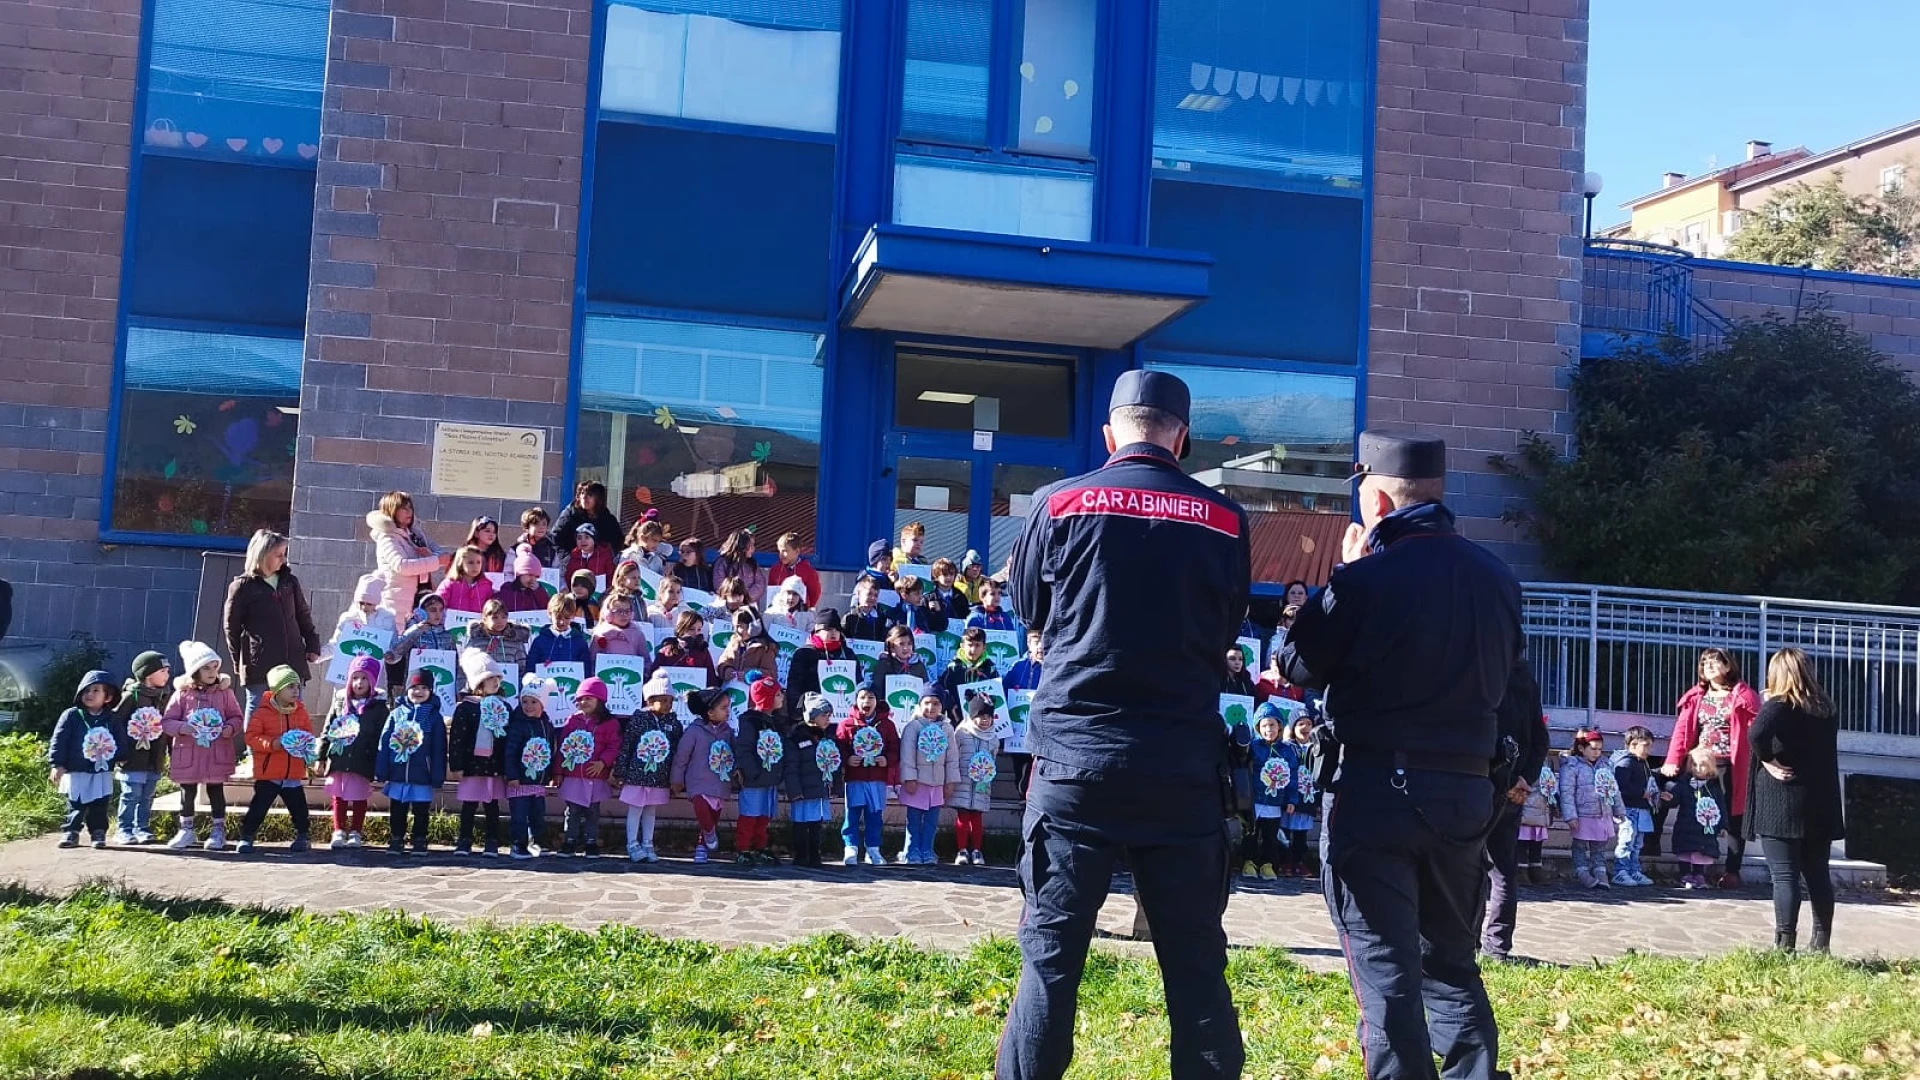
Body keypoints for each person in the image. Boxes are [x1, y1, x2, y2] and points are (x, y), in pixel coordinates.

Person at [998, 370, 1251, 1080]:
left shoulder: (1057, 502)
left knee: (1049, 965)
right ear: (1184, 438)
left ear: (1110, 435)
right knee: (1197, 967)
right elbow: (1227, 624)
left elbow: (1028, 609)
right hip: (1181, 769)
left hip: (1075, 765)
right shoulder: (1226, 519)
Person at [1278, 430, 1521, 1080]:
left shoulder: (1368, 577)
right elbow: (1515, 694)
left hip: (1375, 797)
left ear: (1378, 503)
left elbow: (1299, 663)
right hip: (1466, 797)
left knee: (1385, 971)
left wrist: (1344, 576)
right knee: (1450, 963)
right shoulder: (1498, 579)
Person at [1747, 647, 1844, 953]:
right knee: (1818, 874)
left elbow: (1756, 734)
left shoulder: (1779, 704)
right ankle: (1821, 943)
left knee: (1785, 875)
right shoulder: (1825, 707)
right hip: (1820, 801)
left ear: (1777, 674)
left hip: (1783, 801)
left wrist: (1768, 762)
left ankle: (1784, 944)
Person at [1660, 648, 1759, 887]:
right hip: (1699, 762)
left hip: (1730, 764)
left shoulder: (1743, 695)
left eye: (1716, 662)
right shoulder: (1696, 696)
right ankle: (1689, 865)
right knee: (1688, 806)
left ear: (1728, 666)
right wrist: (1673, 760)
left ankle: (1732, 870)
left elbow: (1757, 728)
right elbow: (1682, 731)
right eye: (1705, 663)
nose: (1710, 666)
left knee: (1733, 815)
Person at [1480, 662, 1549, 962]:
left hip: (1477, 785)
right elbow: (1540, 738)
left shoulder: (1477, 670)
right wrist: (1525, 778)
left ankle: (1467, 944)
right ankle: (1497, 948)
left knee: (1469, 869)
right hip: (1512, 787)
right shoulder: (1526, 679)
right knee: (1502, 871)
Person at [223, 528, 322, 720]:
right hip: (259, 664)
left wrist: (312, 644)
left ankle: (291, 748)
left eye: (283, 555)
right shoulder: (242, 587)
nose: (282, 560)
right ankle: (255, 750)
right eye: (278, 555)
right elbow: (232, 628)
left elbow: (303, 615)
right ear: (262, 554)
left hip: (292, 660)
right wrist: (238, 662)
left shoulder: (290, 582)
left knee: (293, 713)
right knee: (258, 710)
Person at [163, 640, 242, 850]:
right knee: (187, 792)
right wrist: (183, 728)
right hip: (189, 753)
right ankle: (186, 830)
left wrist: (229, 729)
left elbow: (236, 717)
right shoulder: (182, 694)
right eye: (206, 667)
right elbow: (167, 721)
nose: (212, 671)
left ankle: (218, 831)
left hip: (216, 752)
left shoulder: (225, 693)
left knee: (216, 790)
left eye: (215, 666)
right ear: (194, 670)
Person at [237, 664, 316, 855]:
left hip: (293, 773)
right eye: (290, 687)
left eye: (297, 686)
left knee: (299, 808)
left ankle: (303, 835)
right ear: (277, 690)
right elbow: (251, 737)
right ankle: (247, 836)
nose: (295, 691)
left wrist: (307, 749)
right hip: (269, 773)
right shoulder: (263, 712)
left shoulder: (301, 712)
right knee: (259, 807)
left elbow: (308, 735)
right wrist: (273, 744)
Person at [47, 669, 123, 850]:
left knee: (99, 804)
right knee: (76, 803)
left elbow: (120, 740)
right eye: (87, 690)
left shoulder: (111, 719)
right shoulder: (72, 715)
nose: (90, 694)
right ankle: (71, 832)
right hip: (76, 769)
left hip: (100, 770)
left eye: (96, 690)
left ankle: (98, 833)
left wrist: (122, 757)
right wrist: (57, 764)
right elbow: (59, 740)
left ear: (108, 697)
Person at [376, 668, 447, 854]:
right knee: (397, 809)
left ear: (431, 691)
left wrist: (437, 775)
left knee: (421, 810)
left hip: (421, 773)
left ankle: (420, 839)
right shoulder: (396, 714)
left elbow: (439, 748)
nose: (419, 691)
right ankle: (397, 838)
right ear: (407, 689)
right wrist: (382, 770)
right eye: (415, 687)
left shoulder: (434, 717)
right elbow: (384, 742)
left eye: (424, 687)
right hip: (398, 772)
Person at [616, 671, 684, 864]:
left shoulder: (673, 723)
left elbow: (677, 750)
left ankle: (648, 843)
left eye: (670, 701)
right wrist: (620, 771)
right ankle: (632, 843)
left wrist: (676, 777)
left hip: (659, 777)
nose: (667, 705)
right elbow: (627, 745)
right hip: (637, 775)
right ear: (650, 700)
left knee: (651, 811)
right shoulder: (639, 720)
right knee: (635, 809)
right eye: (663, 700)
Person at [318, 655, 385, 850]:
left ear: (372, 681)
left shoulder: (378, 707)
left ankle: (356, 831)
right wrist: (321, 756)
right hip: (339, 758)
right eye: (355, 678)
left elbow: (382, 735)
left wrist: (379, 760)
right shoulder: (340, 703)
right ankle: (339, 830)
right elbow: (327, 729)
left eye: (364, 678)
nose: (359, 683)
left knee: (359, 796)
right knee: (338, 795)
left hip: (362, 759)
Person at [448, 650, 510, 856]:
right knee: (469, 804)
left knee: (492, 804)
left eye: (497, 678)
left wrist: (507, 767)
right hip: (472, 766)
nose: (495, 682)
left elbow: (507, 740)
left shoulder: (504, 706)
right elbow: (457, 738)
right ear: (478, 683)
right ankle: (464, 839)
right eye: (489, 678)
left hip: (493, 766)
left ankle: (491, 840)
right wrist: (456, 765)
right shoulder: (466, 708)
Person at [671, 686, 738, 865]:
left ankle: (702, 846)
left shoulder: (728, 732)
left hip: (720, 782)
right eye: (723, 708)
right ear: (710, 712)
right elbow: (681, 756)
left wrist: (737, 771)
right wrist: (676, 779)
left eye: (728, 707)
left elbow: (735, 753)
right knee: (702, 810)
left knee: (713, 816)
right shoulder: (694, 731)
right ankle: (708, 832)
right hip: (698, 782)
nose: (728, 712)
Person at [112, 650, 173, 845]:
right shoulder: (131, 696)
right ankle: (124, 829)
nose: (167, 675)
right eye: (163, 671)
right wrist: (119, 752)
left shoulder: (164, 696)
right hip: (132, 758)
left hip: (155, 758)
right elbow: (116, 724)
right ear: (148, 674)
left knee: (147, 795)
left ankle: (142, 827)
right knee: (131, 794)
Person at [556, 678, 619, 857]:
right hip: (573, 775)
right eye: (581, 699)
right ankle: (570, 840)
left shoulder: (609, 723)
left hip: (595, 777)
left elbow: (614, 746)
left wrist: (603, 762)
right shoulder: (572, 721)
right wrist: (558, 772)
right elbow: (563, 746)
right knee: (572, 810)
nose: (583, 702)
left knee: (593, 810)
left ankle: (591, 842)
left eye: (589, 698)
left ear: (600, 701)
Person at [835, 688, 898, 866]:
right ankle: (850, 848)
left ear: (877, 701)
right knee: (852, 814)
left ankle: (873, 849)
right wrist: (848, 759)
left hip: (877, 778)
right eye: (862, 697)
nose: (866, 701)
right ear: (856, 700)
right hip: (855, 778)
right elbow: (839, 748)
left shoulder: (887, 725)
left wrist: (886, 759)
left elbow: (895, 748)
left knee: (875, 815)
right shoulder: (847, 724)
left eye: (871, 697)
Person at [897, 691, 960, 866]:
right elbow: (907, 754)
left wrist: (950, 781)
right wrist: (909, 778)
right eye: (927, 703)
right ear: (920, 704)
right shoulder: (913, 726)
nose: (931, 707)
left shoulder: (947, 728)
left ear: (942, 706)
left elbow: (952, 757)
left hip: (937, 783)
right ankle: (911, 849)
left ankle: (927, 849)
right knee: (914, 819)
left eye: (936, 703)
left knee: (932, 820)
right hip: (917, 782)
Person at [1558, 728, 1625, 889]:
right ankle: (1582, 872)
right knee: (1580, 846)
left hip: (1602, 813)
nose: (1597, 753)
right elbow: (1567, 792)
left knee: (1599, 847)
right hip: (1583, 814)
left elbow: (1613, 789)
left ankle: (1600, 872)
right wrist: (1570, 816)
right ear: (1582, 748)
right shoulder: (1572, 766)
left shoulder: (1605, 765)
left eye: (1600, 749)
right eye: (1593, 749)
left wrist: (1619, 810)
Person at [366, 491, 451, 616]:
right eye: (403, 508)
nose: (409, 511)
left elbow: (442, 553)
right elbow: (402, 566)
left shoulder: (415, 534)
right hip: (398, 602)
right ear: (391, 510)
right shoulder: (387, 537)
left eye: (410, 507)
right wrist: (436, 561)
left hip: (422, 596)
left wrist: (432, 557)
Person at [734, 676, 787, 866]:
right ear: (767, 698)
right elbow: (744, 749)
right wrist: (752, 772)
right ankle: (743, 849)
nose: (782, 697)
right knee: (749, 815)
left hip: (770, 778)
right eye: (778, 694)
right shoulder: (750, 722)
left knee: (764, 816)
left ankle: (760, 847)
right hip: (754, 779)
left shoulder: (775, 722)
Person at [782, 693, 840, 867]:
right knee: (800, 823)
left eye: (829, 715)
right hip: (802, 790)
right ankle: (800, 855)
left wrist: (834, 787)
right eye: (824, 715)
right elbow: (791, 766)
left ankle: (815, 854)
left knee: (816, 824)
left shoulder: (827, 737)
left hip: (819, 790)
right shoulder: (797, 737)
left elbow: (833, 763)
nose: (827, 719)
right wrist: (794, 790)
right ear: (812, 716)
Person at [503, 677, 555, 859]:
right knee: (519, 814)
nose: (528, 706)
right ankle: (518, 844)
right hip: (519, 781)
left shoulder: (547, 726)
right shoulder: (517, 725)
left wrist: (550, 773)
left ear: (543, 704)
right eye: (524, 701)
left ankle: (538, 841)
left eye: (534, 702)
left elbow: (550, 750)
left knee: (537, 814)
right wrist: (512, 775)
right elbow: (509, 751)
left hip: (538, 780)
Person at [949, 693, 1003, 866]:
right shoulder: (962, 733)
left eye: (988, 716)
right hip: (963, 783)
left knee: (977, 817)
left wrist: (986, 774)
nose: (985, 720)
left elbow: (993, 759)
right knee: (962, 816)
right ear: (972, 716)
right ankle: (962, 850)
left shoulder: (993, 738)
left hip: (981, 785)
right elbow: (954, 754)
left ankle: (977, 850)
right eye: (980, 716)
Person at [1666, 747, 1731, 889]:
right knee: (1685, 850)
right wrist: (1669, 797)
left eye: (1702, 765)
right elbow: (1675, 799)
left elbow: (1720, 806)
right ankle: (1685, 875)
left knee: (1701, 851)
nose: (1698, 768)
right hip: (1686, 824)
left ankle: (1699, 875)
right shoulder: (1685, 783)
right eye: (1694, 764)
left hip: (1704, 827)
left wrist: (1722, 826)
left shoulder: (1714, 787)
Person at [1246, 703, 1295, 880]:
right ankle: (1248, 861)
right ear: (1258, 727)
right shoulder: (1253, 747)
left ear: (1279, 726)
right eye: (1264, 725)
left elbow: (1292, 775)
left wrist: (1291, 799)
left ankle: (1268, 864)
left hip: (1275, 802)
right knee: (1251, 833)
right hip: (1255, 800)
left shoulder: (1286, 751)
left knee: (1270, 836)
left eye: (1272, 725)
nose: (1269, 729)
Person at [1610, 726, 1662, 887]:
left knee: (1637, 842)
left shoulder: (1643, 764)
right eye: (1645, 745)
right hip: (1629, 809)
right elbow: (1620, 787)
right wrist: (1641, 793)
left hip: (1642, 809)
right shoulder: (1626, 763)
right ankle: (1620, 871)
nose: (1648, 750)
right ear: (1632, 744)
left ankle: (1633, 870)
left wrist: (1658, 793)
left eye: (1650, 745)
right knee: (1626, 840)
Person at [1280, 713, 1320, 877]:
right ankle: (1285, 861)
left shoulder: (1316, 748)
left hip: (1308, 797)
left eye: (1309, 724)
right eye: (1300, 724)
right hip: (1291, 797)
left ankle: (1299, 861)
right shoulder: (1288, 748)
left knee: (1301, 834)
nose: (1305, 728)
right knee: (1285, 832)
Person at [787, 608, 852, 705]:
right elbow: (794, 686)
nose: (833, 633)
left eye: (837, 629)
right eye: (829, 629)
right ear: (817, 631)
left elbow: (857, 681)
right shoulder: (804, 653)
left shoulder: (848, 654)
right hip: (811, 711)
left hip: (842, 711)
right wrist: (798, 712)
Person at [1515, 751, 1560, 884]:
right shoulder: (1523, 756)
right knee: (1522, 839)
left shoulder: (1547, 762)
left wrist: (1553, 801)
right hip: (1527, 803)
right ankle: (1520, 868)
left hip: (1541, 807)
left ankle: (1535, 867)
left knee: (1537, 841)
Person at [935, 627, 999, 717]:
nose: (973, 650)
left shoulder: (990, 667)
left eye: (977, 645)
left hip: (982, 717)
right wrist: (951, 705)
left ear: (984, 647)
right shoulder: (954, 667)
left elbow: (997, 691)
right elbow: (944, 689)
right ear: (962, 645)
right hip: (959, 715)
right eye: (970, 645)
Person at [552, 480, 621, 556]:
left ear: (598, 498)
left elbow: (617, 543)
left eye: (590, 495)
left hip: (599, 565)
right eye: (582, 493)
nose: (584, 497)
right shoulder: (569, 515)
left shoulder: (608, 520)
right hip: (574, 563)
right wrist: (568, 560)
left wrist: (607, 561)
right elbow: (556, 538)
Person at [527, 594, 593, 671]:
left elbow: (586, 671)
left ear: (573, 616)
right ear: (549, 614)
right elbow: (530, 670)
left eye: (567, 618)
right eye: (558, 617)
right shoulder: (539, 641)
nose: (562, 622)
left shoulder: (579, 642)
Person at [717, 609, 779, 689]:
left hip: (752, 696)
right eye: (735, 626)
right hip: (731, 692)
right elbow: (723, 661)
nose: (737, 630)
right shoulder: (734, 641)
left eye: (741, 626)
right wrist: (726, 670)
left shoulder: (765, 648)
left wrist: (750, 675)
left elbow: (772, 674)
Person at [711, 529, 767, 608]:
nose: (753, 549)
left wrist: (745, 598)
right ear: (741, 545)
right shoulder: (722, 563)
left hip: (749, 606)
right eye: (750, 545)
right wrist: (734, 598)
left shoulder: (752, 564)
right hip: (728, 607)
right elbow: (719, 585)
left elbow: (760, 583)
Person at [768, 532, 820, 610]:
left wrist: (808, 606)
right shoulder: (775, 570)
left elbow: (814, 593)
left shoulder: (808, 571)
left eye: (785, 551)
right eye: (779, 551)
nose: (781, 554)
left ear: (797, 551)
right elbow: (771, 589)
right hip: (778, 611)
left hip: (800, 611)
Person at [843, 577, 897, 642]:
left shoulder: (884, 621)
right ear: (859, 594)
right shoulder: (849, 618)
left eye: (876, 595)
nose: (872, 598)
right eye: (869, 594)